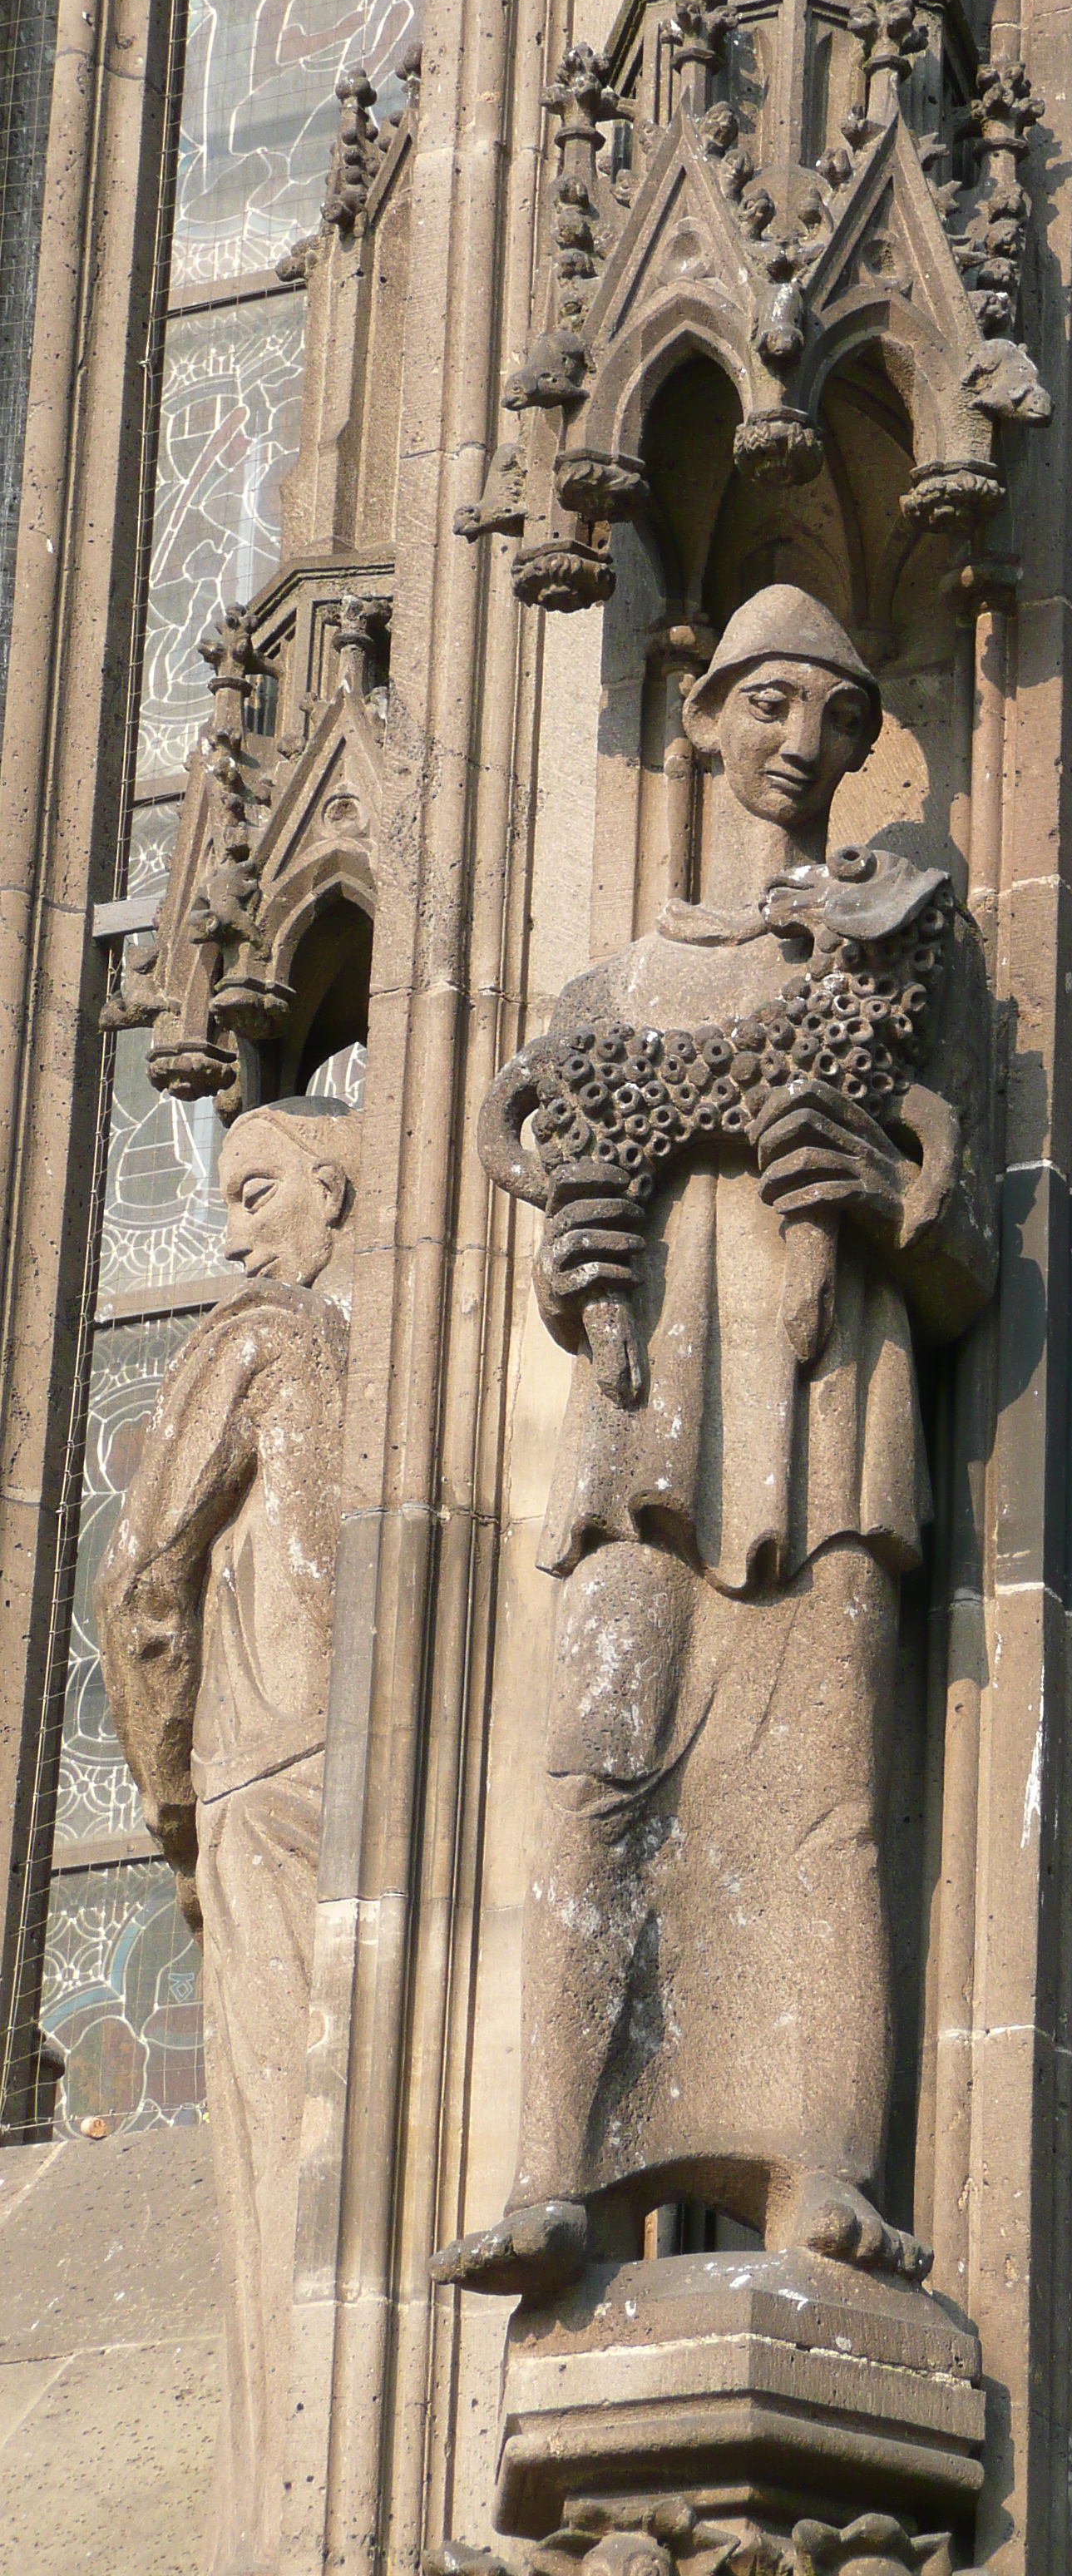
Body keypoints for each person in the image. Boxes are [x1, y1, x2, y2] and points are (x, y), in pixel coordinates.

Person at [436, 588, 995, 2302]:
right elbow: (559, 1188)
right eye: (762, 704)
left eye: (831, 713)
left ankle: (825, 2167)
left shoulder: (892, 953)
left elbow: (961, 1238)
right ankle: (557, 2170)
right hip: (647, 1430)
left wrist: (889, 1195)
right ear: (700, 718)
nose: (798, 744)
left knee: (829, 1791)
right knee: (599, 1769)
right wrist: (573, 1259)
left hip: (827, 1422)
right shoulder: (615, 983)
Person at [96, 1096, 358, 2576]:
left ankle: (287, 2513)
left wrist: (170, 1796)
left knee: (278, 2169)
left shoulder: (267, 1335)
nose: (237, 1225)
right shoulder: (417, 1347)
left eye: (258, 1189)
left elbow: (143, 1567)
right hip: (388, 1784)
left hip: (260, 1778)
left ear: (333, 1187)